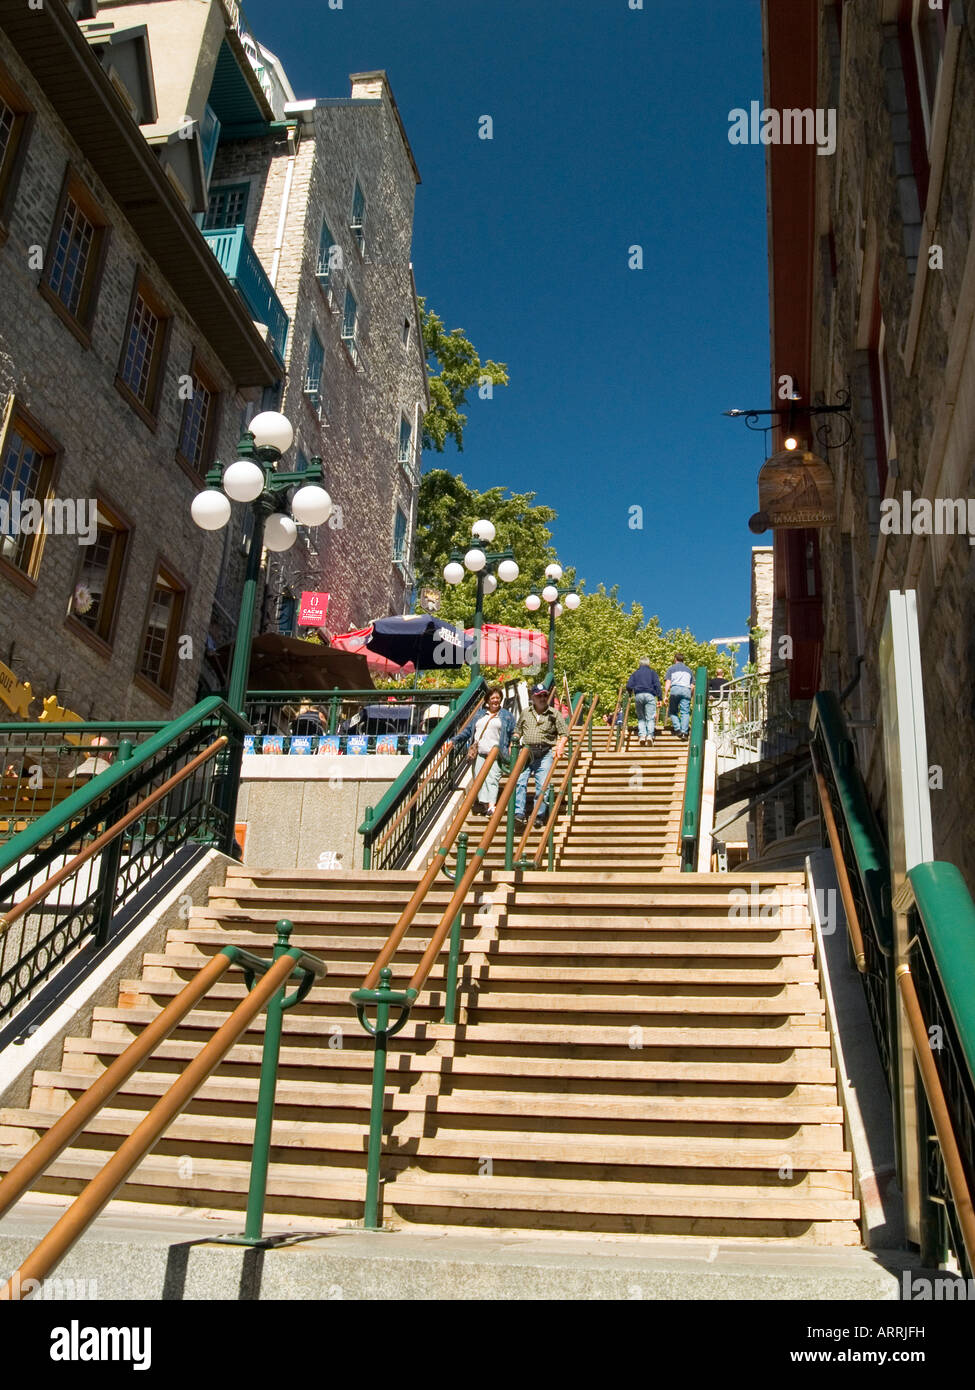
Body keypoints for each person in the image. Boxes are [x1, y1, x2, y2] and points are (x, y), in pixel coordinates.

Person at [513, 684, 568, 829]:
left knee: (543, 785)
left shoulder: (554, 714)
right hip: (526, 751)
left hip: (544, 752)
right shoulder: (525, 713)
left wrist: (560, 745)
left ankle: (538, 814)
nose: (543, 698)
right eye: (539, 695)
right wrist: (514, 739)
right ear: (533, 697)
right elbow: (517, 730)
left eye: (545, 695)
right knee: (519, 781)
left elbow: (564, 733)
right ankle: (519, 812)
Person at [456, 687, 514, 815]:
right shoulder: (480, 714)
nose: (495, 701)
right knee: (479, 779)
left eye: (497, 698)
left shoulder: (506, 716)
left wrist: (510, 746)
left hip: (496, 753)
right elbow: (468, 730)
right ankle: (485, 804)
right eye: (492, 698)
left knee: (492, 779)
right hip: (480, 753)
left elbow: (513, 732)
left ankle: (492, 806)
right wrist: (455, 740)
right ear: (487, 700)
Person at [626, 657, 662, 746]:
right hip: (650, 695)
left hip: (638, 695)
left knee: (641, 717)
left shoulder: (635, 673)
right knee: (650, 717)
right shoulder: (652, 673)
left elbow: (629, 685)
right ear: (648, 664)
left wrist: (630, 694)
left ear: (640, 664)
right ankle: (650, 735)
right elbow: (657, 685)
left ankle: (642, 735)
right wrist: (660, 698)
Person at [664, 652, 694, 739]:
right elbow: (692, 686)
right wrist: (690, 695)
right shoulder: (689, 670)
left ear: (675, 659)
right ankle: (684, 732)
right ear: (683, 660)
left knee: (672, 711)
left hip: (675, 689)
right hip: (686, 690)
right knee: (685, 712)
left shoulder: (671, 669)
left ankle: (678, 729)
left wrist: (665, 695)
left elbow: (668, 682)